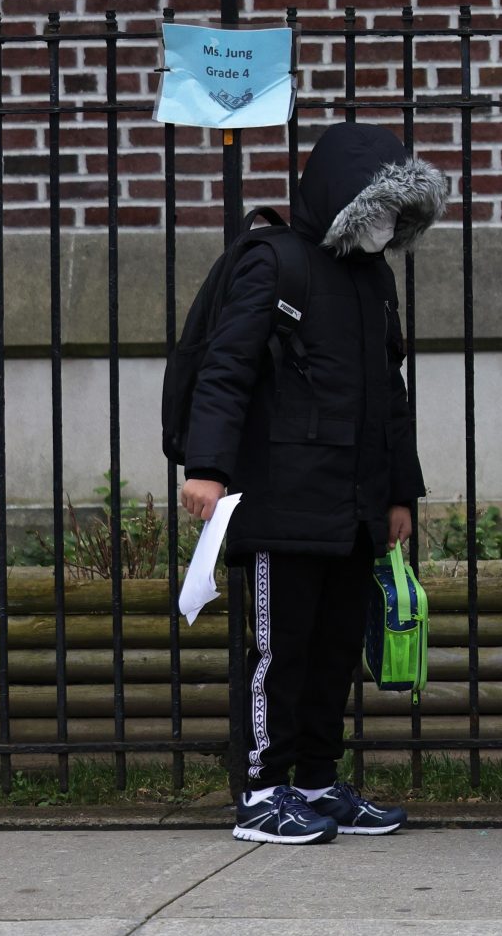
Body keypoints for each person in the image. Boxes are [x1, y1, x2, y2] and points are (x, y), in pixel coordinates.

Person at [179, 124, 443, 845]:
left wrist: (396, 493)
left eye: (398, 212)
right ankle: (264, 791)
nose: (387, 225)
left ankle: (318, 781)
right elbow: (227, 366)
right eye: (378, 206)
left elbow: (389, 394)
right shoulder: (275, 263)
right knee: (280, 652)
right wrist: (207, 466)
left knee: (332, 651)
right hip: (280, 501)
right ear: (343, 200)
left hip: (351, 506)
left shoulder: (372, 279)